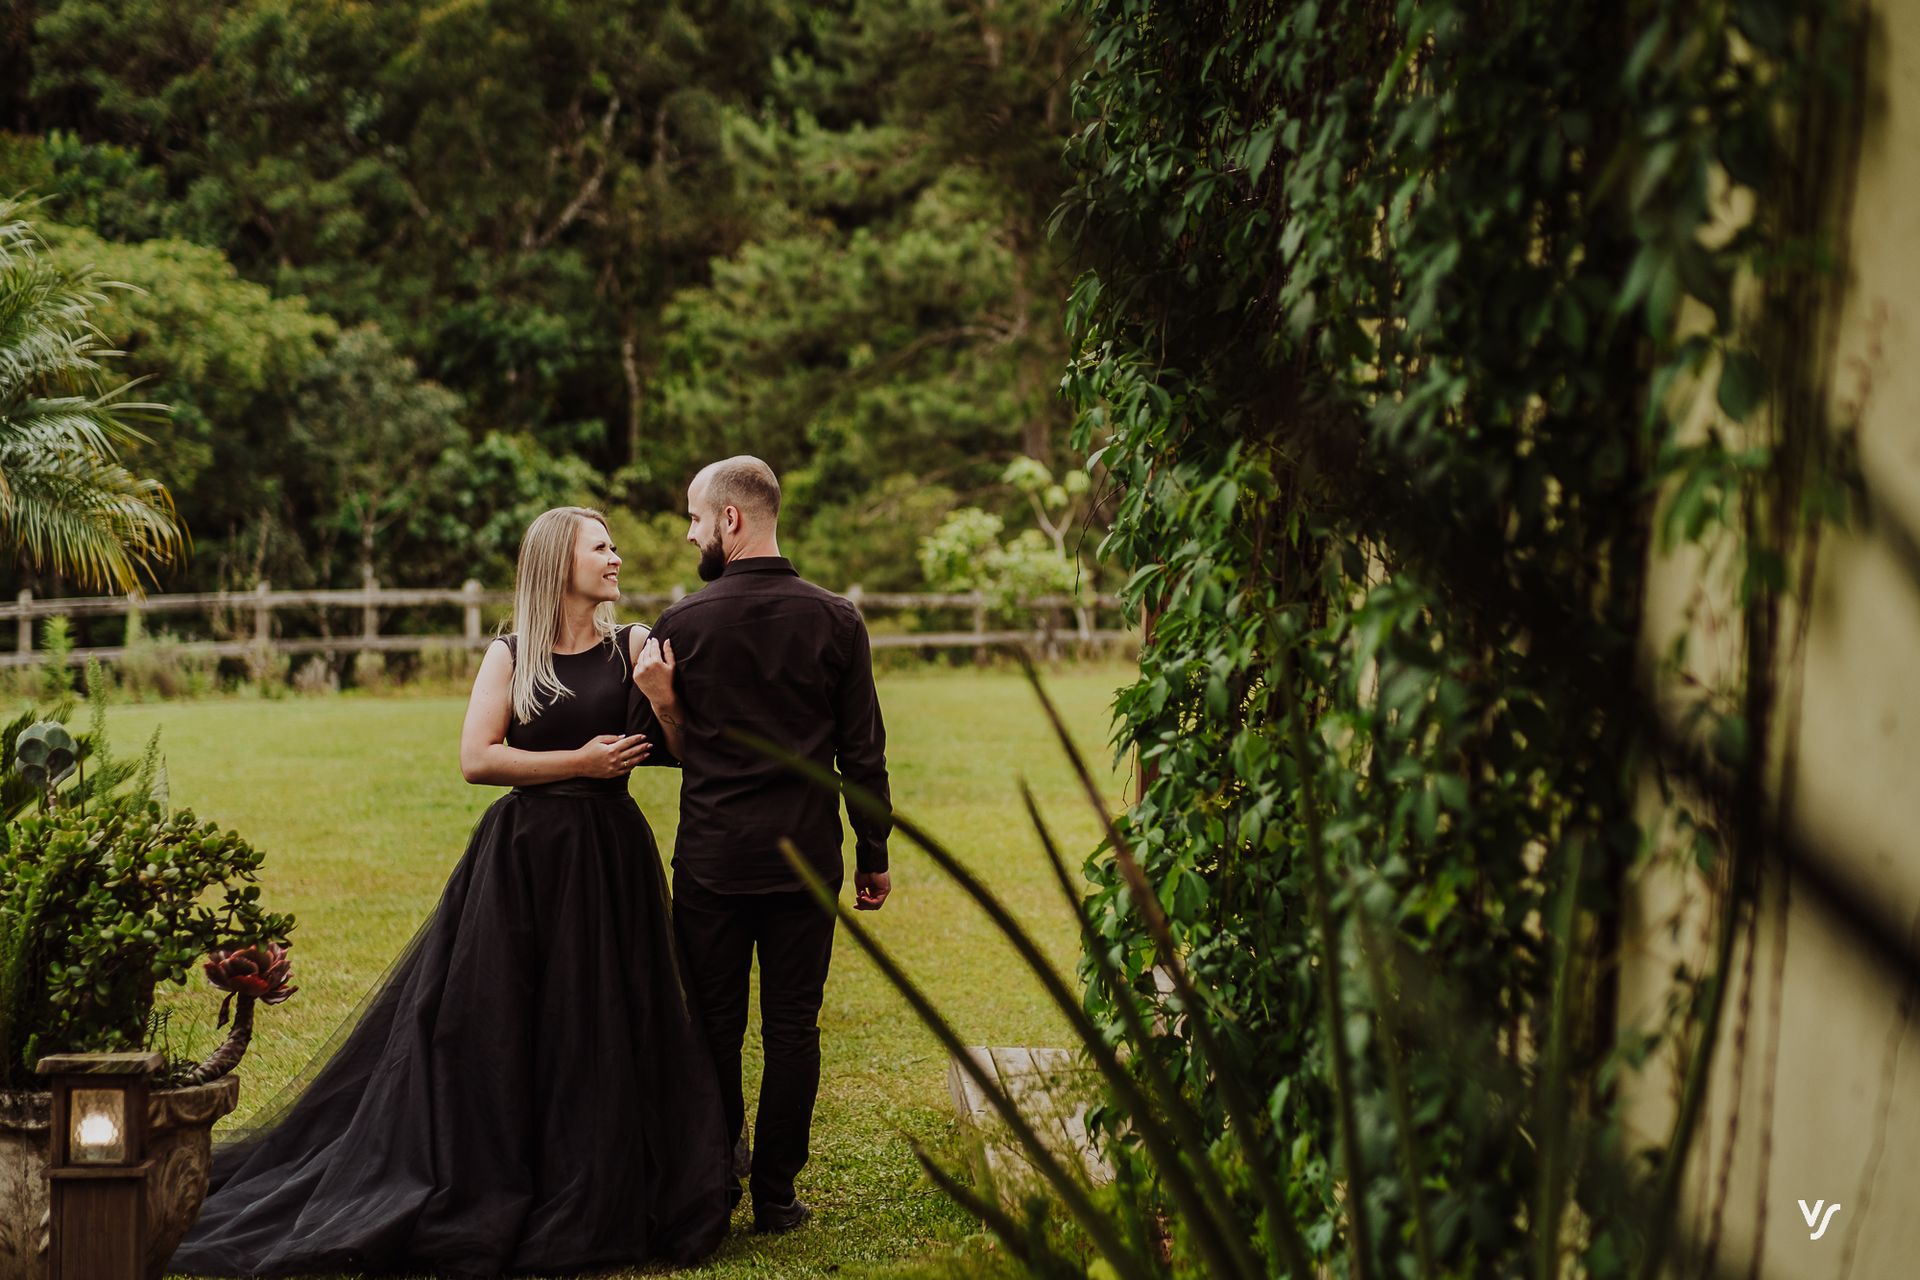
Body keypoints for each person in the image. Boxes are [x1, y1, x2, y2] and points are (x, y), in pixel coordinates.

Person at [171, 506, 731, 1278]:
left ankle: (601, 1178)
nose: (616, 558)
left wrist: (663, 696)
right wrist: (579, 763)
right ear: (556, 564)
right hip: (523, 861)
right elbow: (477, 759)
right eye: (600, 547)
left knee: (604, 1018)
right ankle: (501, 1173)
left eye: (613, 546)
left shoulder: (634, 646)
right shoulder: (510, 654)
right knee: (500, 1023)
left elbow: (690, 752)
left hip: (610, 861)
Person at [628, 455, 892, 1234]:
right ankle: (776, 1196)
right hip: (805, 864)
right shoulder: (837, 619)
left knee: (713, 1027)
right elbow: (863, 754)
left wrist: (663, 703)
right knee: (792, 1027)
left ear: (731, 520)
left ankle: (715, 1185)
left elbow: (665, 751)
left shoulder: (683, 624)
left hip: (712, 862)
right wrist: (873, 854)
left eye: (694, 517)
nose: (689, 532)